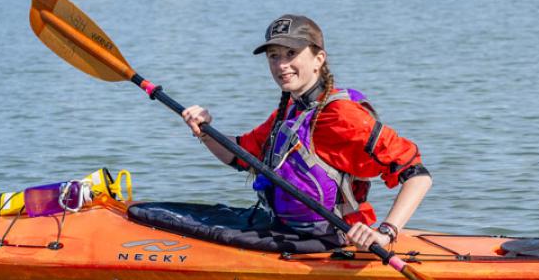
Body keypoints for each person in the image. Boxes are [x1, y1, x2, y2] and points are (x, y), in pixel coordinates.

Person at [182, 14, 431, 253]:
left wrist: (386, 233)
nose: (281, 65)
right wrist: (204, 130)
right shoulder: (293, 110)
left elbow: (417, 175)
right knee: (165, 215)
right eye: (274, 56)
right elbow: (240, 155)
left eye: (291, 54)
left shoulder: (340, 115)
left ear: (319, 58)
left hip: (329, 238)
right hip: (287, 231)